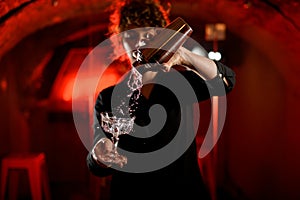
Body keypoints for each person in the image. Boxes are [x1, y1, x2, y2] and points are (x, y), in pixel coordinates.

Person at [86, 0, 236, 199]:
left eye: (147, 35)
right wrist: (100, 156)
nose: (138, 43)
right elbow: (95, 162)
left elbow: (226, 81)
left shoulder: (180, 85)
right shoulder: (108, 97)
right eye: (130, 35)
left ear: (159, 38)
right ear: (119, 41)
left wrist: (183, 56)